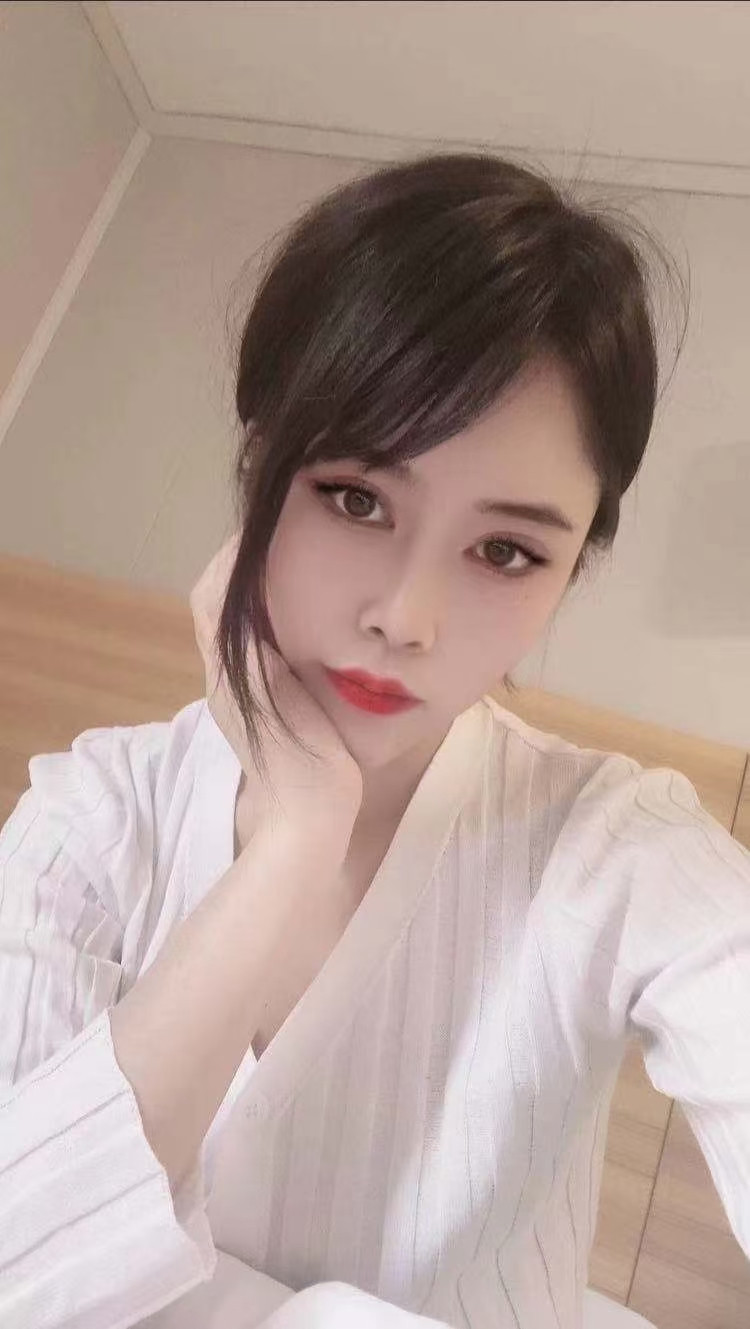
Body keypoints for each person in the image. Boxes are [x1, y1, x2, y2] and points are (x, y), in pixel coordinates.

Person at [0, 152, 748, 1329]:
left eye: (506, 551)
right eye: (356, 498)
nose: (407, 617)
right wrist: (293, 844)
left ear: (570, 573)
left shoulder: (616, 847)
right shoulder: (92, 818)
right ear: (258, 466)